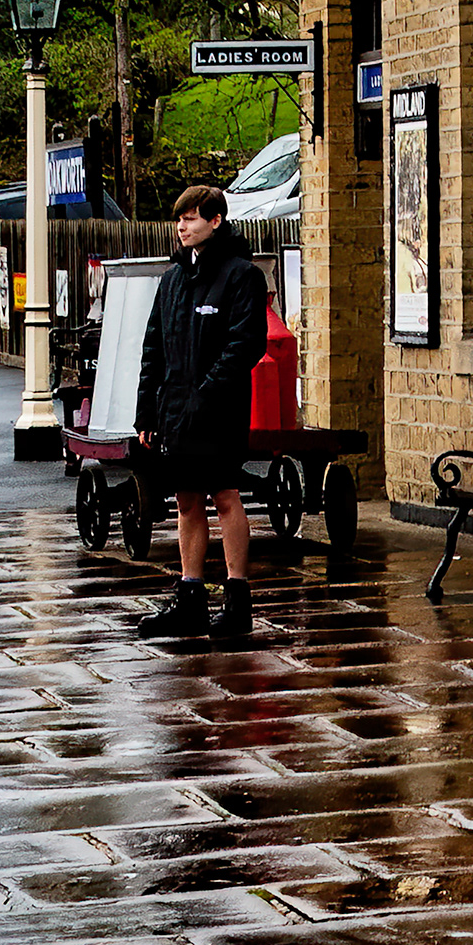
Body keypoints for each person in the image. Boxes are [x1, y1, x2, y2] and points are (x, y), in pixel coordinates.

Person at [143, 177, 271, 644]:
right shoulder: (173, 280)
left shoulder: (242, 276)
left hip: (219, 410)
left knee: (225, 496)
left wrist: (207, 392)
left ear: (216, 221)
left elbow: (246, 344)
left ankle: (237, 600)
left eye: (191, 218)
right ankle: (190, 597)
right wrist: (146, 410)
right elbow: (154, 347)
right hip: (176, 410)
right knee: (186, 499)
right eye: (179, 219)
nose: (182, 227)